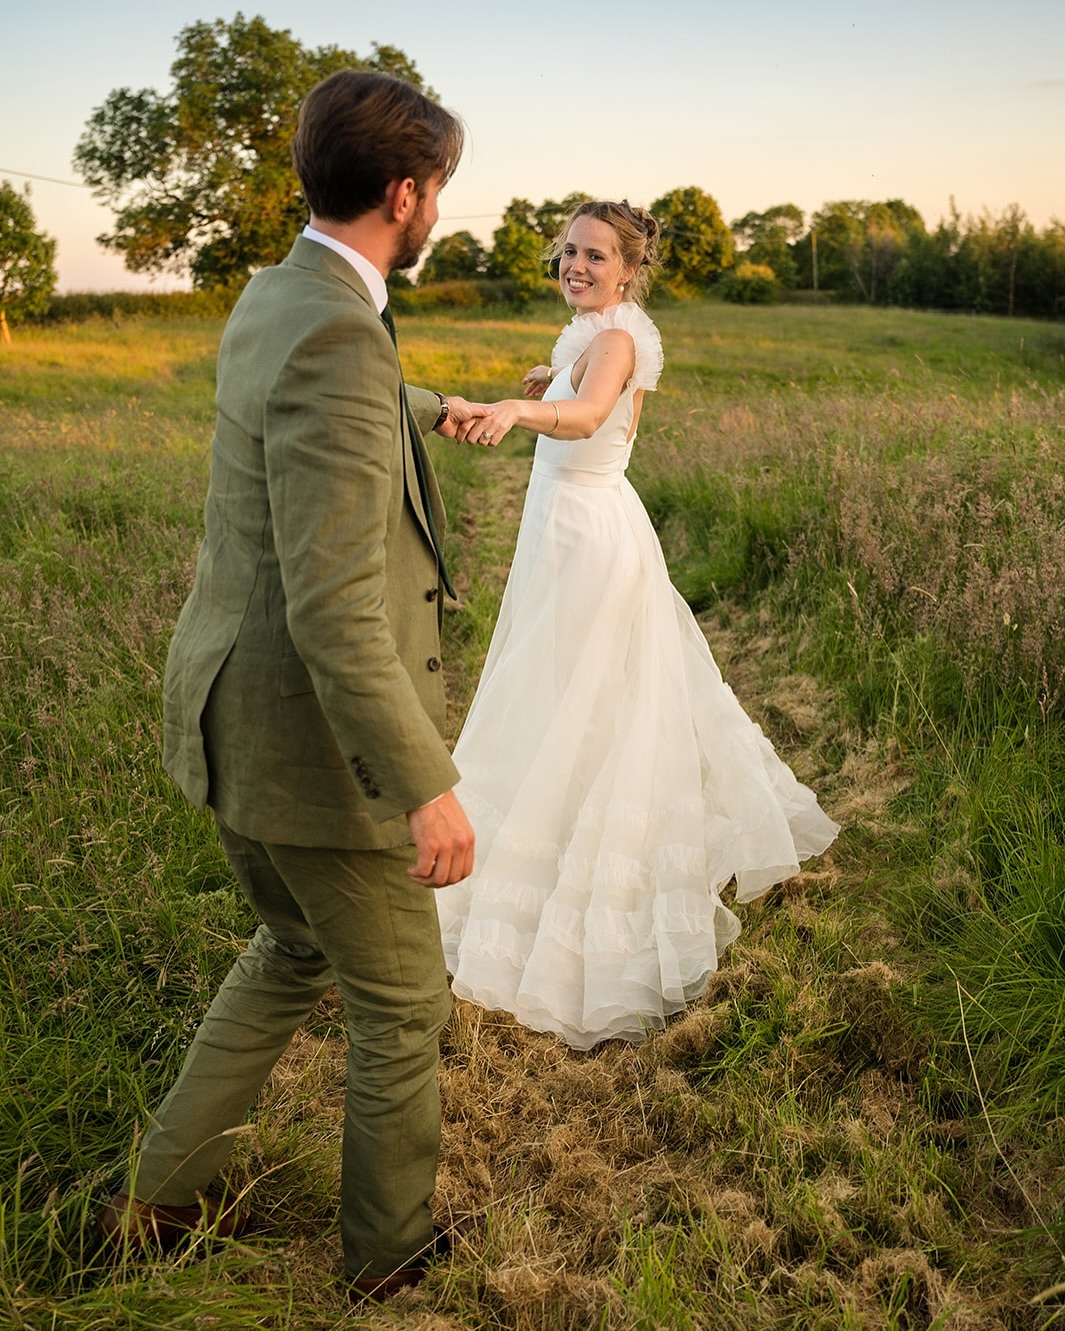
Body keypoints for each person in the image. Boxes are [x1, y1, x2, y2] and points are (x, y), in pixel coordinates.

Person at [98, 69, 486, 1301]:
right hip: (313, 754)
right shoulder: (337, 330)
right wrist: (422, 785)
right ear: (405, 194)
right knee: (403, 1005)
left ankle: (159, 1197)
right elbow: (336, 614)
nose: (439, 211)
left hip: (232, 722)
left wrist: (431, 405)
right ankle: (388, 1255)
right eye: (440, 191)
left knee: (289, 947)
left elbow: (325, 393)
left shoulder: (280, 293)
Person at [435, 199, 840, 1050]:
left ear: (627, 269)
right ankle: (559, 824)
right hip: (570, 522)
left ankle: (593, 871)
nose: (575, 266)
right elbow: (590, 400)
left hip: (587, 534)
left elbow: (590, 419)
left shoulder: (616, 338)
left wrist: (519, 410)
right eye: (568, 252)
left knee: (583, 696)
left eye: (595, 255)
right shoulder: (598, 334)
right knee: (574, 692)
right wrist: (550, 382)